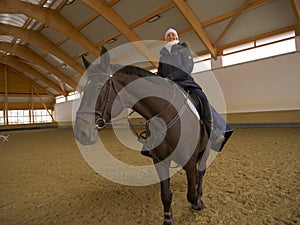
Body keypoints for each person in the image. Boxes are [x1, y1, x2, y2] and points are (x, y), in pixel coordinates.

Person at [141, 28, 232, 158]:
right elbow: (160, 73)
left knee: (202, 99)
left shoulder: (183, 50)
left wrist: (171, 78)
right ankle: (150, 141)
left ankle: (213, 131)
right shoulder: (163, 56)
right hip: (168, 87)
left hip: (185, 83)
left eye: (173, 35)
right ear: (165, 39)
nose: (171, 37)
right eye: (168, 35)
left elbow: (187, 67)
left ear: (176, 37)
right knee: (153, 105)